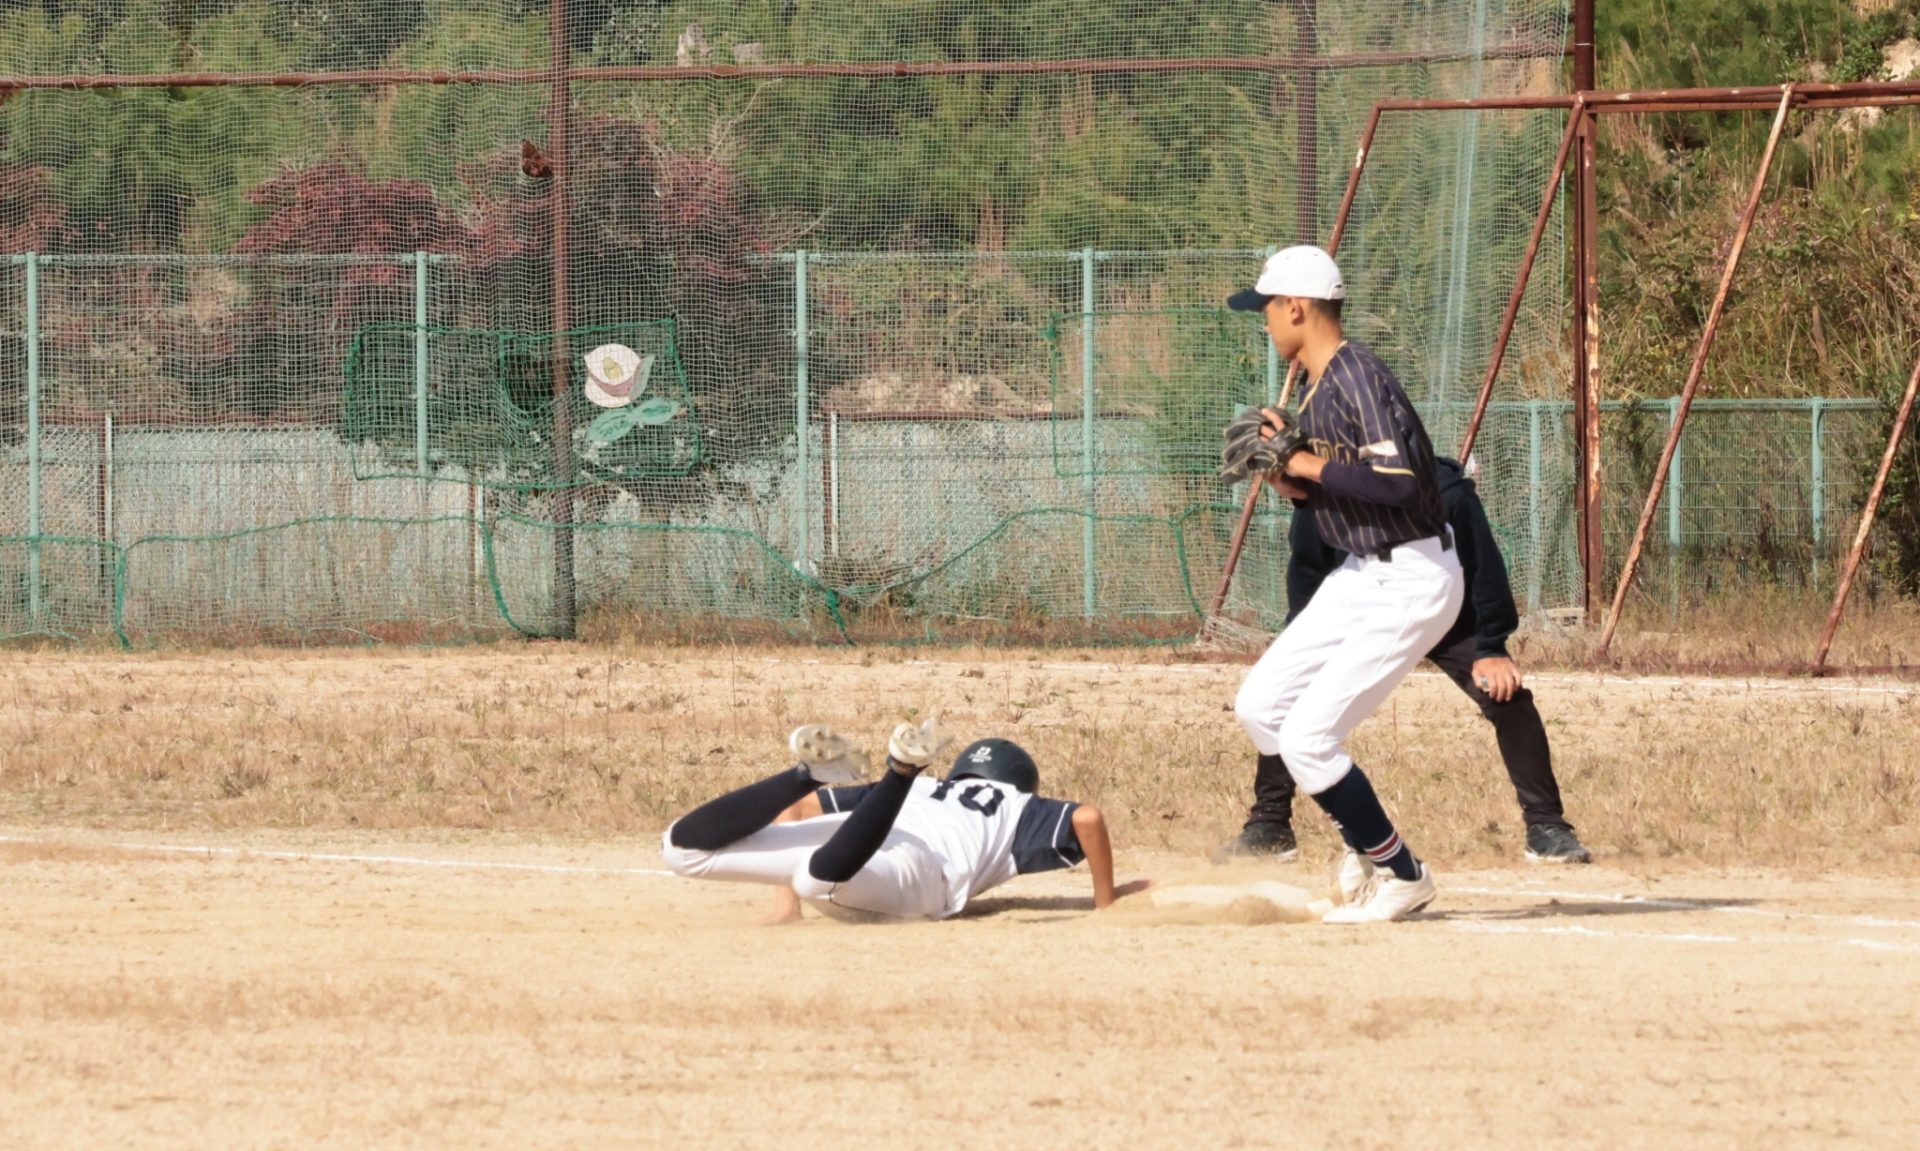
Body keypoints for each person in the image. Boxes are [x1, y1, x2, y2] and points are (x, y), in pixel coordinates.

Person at [1215, 245, 1464, 924]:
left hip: (1414, 576)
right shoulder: (1320, 386)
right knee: (1261, 706)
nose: (1265, 321)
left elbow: (1399, 482)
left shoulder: (1358, 376)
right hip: (1363, 573)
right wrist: (1288, 477)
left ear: (1297, 307)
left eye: (1268, 308)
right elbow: (1334, 496)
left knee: (1308, 739)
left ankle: (1403, 875)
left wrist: (1303, 461)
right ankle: (1364, 844)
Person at [1220, 454, 1594, 877]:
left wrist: (1491, 646)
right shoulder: (1326, 489)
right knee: (1284, 697)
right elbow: (1309, 570)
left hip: (1445, 609)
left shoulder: (1440, 489)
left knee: (1507, 696)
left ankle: (1547, 827)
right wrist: (1300, 645)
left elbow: (1483, 563)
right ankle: (1270, 824)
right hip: (1366, 607)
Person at [660, 721, 1150, 923]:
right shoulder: (1016, 804)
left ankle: (806, 774)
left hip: (875, 824)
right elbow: (1087, 817)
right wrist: (1104, 902)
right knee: (816, 879)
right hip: (919, 869)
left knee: (681, 850)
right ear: (1021, 780)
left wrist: (784, 906)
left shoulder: (933, 788)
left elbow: (801, 814)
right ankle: (899, 768)